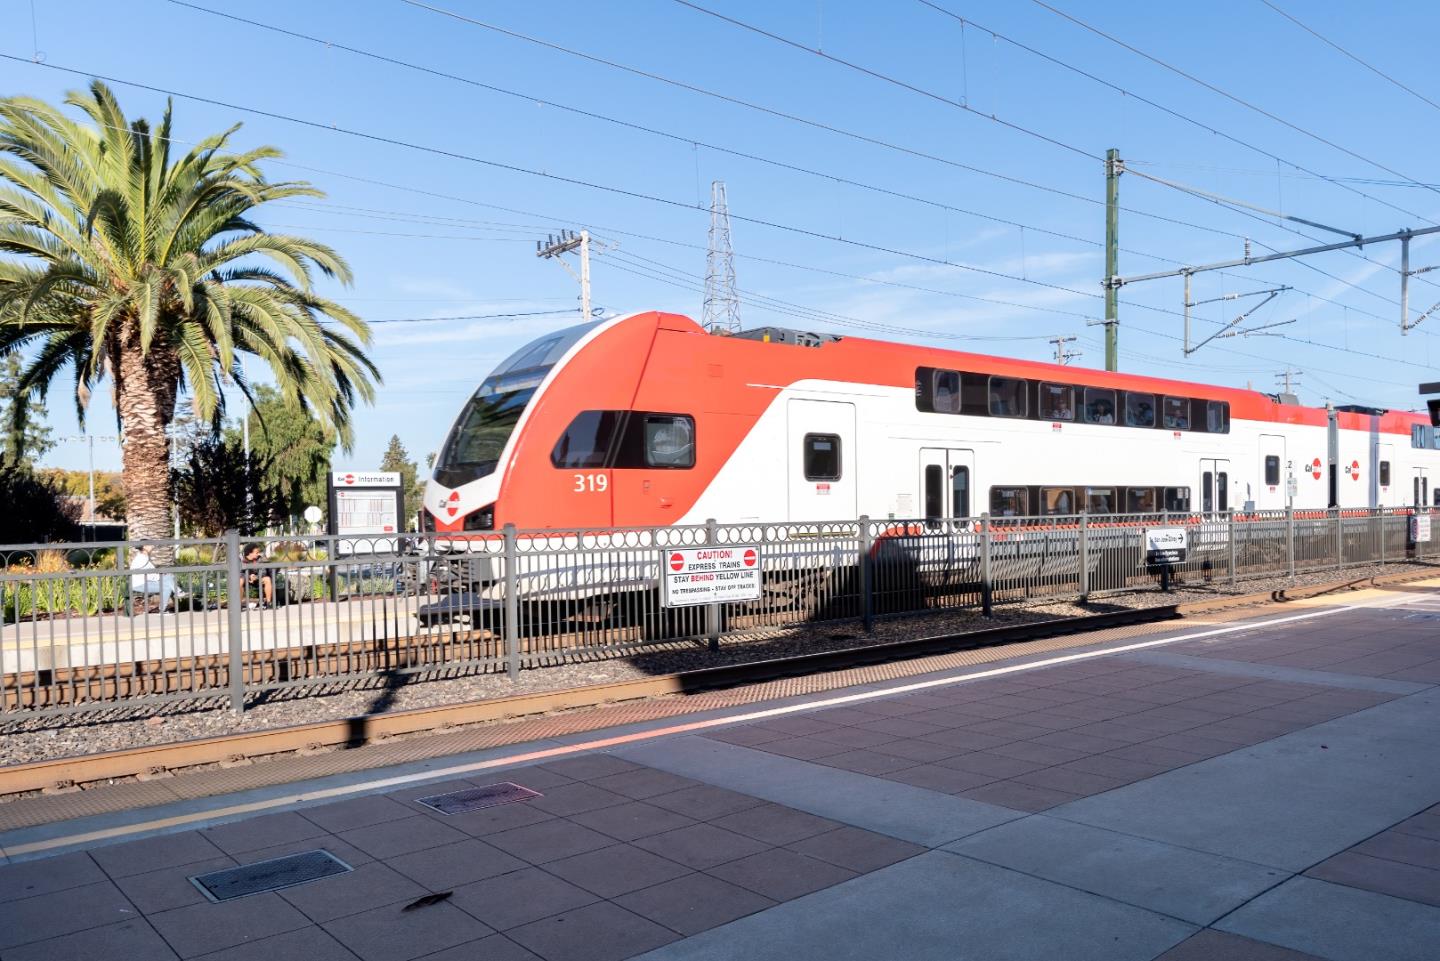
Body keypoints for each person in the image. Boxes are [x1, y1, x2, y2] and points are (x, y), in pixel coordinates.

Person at [129, 544, 177, 613]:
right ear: (144, 547)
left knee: (169, 578)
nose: (152, 546)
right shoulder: (142, 559)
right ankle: (162, 609)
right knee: (167, 586)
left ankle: (178, 591)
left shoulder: (143, 557)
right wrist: (161, 576)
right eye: (150, 544)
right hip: (140, 584)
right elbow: (150, 575)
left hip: (145, 582)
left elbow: (151, 574)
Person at [243, 544, 275, 608]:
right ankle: (238, 604)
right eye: (256, 552)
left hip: (258, 579)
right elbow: (238, 572)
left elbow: (263, 572)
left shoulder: (260, 559)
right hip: (245, 578)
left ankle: (269, 603)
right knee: (240, 580)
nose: (258, 554)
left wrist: (256, 577)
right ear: (250, 553)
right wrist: (249, 577)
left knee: (267, 579)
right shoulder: (241, 560)